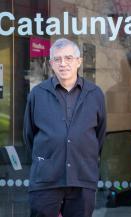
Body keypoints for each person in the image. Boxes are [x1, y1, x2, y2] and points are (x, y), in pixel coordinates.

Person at [23, 38, 106, 217]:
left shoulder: (95, 94)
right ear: (51, 63)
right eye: (57, 59)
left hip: (82, 176)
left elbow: (99, 135)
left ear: (78, 61)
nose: (63, 64)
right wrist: (49, 155)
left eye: (68, 58)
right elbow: (29, 135)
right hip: (46, 179)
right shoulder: (37, 94)